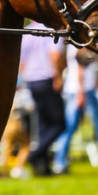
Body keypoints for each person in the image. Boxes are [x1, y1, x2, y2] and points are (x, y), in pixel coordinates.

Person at [52, 45, 98, 174]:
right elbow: (80, 68)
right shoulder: (79, 44)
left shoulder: (72, 45)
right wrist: (81, 92)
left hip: (79, 90)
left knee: (71, 128)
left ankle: (59, 162)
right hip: (82, 91)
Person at [19, 27, 67, 176]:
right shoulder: (51, 30)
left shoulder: (26, 32)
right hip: (47, 79)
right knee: (59, 124)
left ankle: (43, 168)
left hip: (31, 80)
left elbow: (22, 60)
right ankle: (33, 156)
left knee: (43, 124)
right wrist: (58, 76)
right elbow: (54, 54)